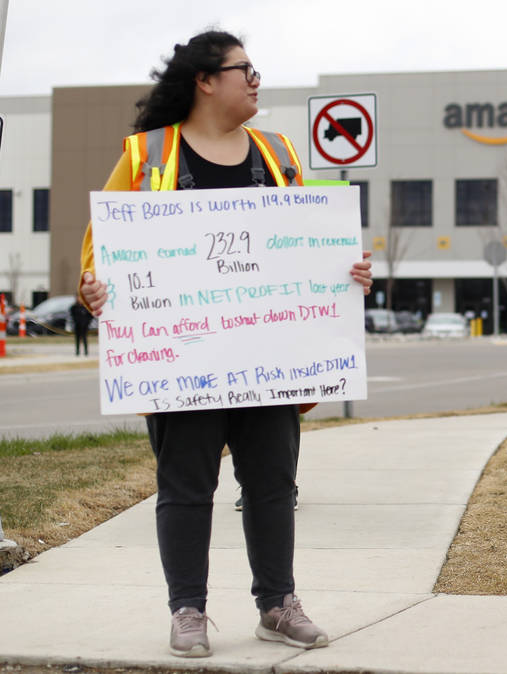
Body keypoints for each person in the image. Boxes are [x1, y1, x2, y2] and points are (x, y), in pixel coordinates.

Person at [76, 31, 373, 657]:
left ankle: (278, 606)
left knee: (273, 485)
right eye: (246, 69)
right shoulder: (148, 154)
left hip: (270, 363)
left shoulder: (280, 152)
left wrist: (348, 273)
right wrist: (93, 288)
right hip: (183, 365)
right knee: (186, 487)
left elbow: (315, 237)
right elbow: (99, 250)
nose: (256, 79)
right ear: (206, 80)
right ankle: (188, 610)